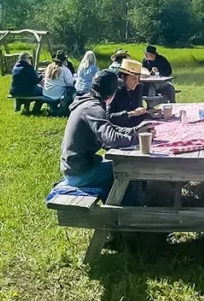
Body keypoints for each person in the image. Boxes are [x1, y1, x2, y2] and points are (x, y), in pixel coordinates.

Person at [60, 69, 153, 200]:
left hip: (75, 167)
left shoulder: (88, 102)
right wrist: (138, 139)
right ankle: (129, 208)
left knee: (125, 168)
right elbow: (111, 139)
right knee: (129, 169)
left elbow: (110, 128)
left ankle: (131, 201)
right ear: (112, 93)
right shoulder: (93, 109)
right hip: (80, 173)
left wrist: (134, 131)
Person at [108, 58, 146, 128]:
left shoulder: (138, 89)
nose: (137, 82)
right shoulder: (114, 91)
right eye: (134, 78)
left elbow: (138, 110)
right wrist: (131, 113)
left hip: (135, 128)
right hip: (118, 130)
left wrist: (149, 112)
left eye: (138, 78)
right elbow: (109, 117)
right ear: (123, 77)